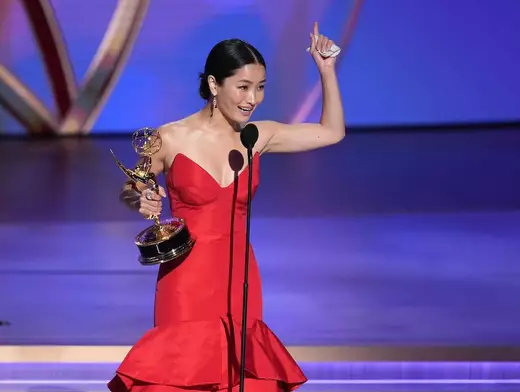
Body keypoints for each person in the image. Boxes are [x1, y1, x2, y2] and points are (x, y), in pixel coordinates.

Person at [107, 22, 345, 392]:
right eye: (244, 87)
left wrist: (326, 70)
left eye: (261, 88)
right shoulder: (170, 137)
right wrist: (140, 198)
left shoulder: (258, 136)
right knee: (180, 374)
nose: (254, 98)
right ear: (215, 85)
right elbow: (131, 186)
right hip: (186, 276)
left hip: (239, 275)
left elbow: (331, 132)